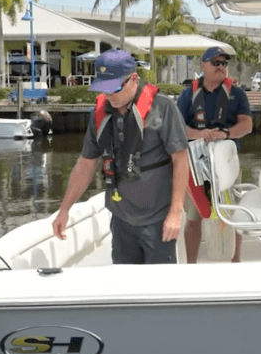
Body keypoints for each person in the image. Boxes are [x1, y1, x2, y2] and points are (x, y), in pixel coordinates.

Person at [52, 49, 189, 264]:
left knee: (159, 287)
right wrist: (64, 209)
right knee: (125, 285)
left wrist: (175, 213)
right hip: (122, 219)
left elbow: (180, 161)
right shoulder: (99, 113)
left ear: (133, 79)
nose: (109, 95)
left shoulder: (164, 107)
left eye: (114, 88)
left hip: (158, 218)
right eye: (103, 89)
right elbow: (85, 164)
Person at [176, 46, 253, 263]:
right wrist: (200, 134)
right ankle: (191, 263)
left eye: (224, 63)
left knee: (232, 210)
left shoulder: (236, 93)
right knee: (194, 215)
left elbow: (247, 125)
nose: (221, 67)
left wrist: (225, 133)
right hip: (196, 162)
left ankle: (235, 259)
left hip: (226, 163)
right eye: (215, 63)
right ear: (203, 66)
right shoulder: (187, 94)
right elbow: (177, 128)